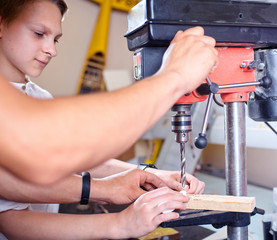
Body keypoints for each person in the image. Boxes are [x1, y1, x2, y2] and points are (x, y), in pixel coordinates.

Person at [0, 0, 214, 238]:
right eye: (39, 33)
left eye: (55, 39)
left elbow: (74, 155)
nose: (52, 49)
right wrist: (175, 76)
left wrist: (150, 174)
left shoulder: (38, 96)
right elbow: (10, 213)